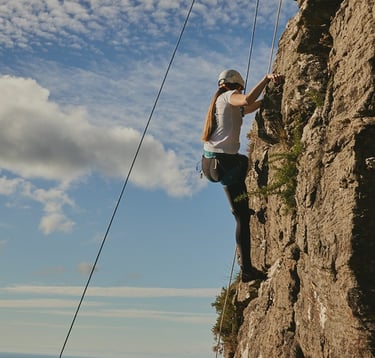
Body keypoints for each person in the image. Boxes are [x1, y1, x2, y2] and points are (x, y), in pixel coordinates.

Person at [201, 69, 283, 283]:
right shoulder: (229, 97)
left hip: (210, 164)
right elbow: (247, 99)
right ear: (236, 86)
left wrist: (270, 97)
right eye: (241, 88)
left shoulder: (221, 102)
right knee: (244, 163)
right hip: (226, 163)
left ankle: (240, 207)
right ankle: (247, 269)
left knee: (240, 215)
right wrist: (265, 79)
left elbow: (250, 105)